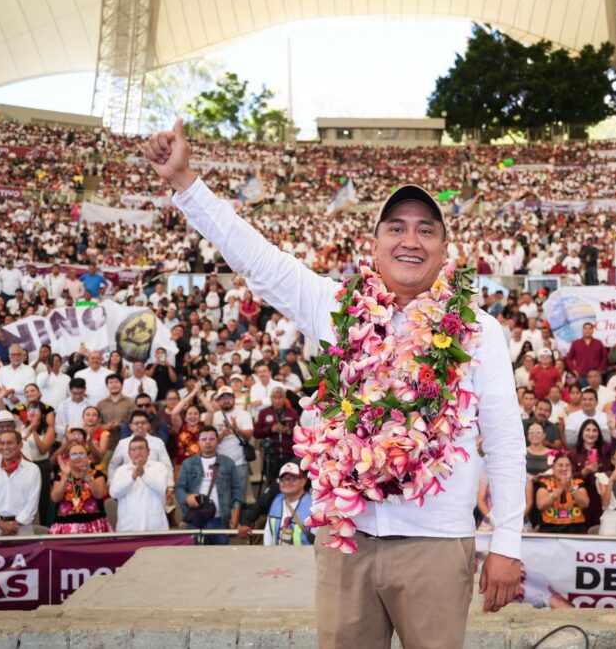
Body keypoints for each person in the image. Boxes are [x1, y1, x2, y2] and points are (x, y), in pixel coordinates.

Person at [146, 119, 524, 644]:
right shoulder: (334, 307)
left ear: (444, 249)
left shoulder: (479, 331)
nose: (410, 240)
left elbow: (504, 442)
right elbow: (256, 257)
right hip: (347, 540)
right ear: (375, 244)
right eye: (396, 227)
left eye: (426, 230)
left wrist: (507, 543)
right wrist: (185, 181)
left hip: (437, 544)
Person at [174, 426, 242, 545]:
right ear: (198, 442)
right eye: (204, 439)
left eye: (212, 439)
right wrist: (187, 498)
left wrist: (236, 514)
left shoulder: (228, 463)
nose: (208, 442)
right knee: (193, 552)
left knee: (219, 552)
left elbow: (237, 489)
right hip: (195, 517)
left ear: (217, 441)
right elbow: (179, 488)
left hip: (219, 518)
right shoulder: (188, 464)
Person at [0, 430, 41, 536]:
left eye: (10, 442)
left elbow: (32, 503)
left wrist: (14, 526)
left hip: (23, 530)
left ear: (20, 445)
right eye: (2, 443)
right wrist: (2, 525)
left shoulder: (33, 469)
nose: (5, 447)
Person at [110, 436, 171, 532]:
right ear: (129, 453)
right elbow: (114, 493)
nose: (137, 452)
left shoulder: (159, 467)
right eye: (133, 449)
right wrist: (132, 478)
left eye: (141, 448)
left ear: (148, 451)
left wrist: (143, 475)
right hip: (128, 527)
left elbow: (162, 489)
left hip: (155, 527)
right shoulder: (121, 470)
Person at [49, 442, 113, 534]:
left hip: (93, 524)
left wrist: (87, 474)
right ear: (68, 459)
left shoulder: (97, 475)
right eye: (74, 454)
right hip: (65, 526)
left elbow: (99, 495)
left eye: (81, 454)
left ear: (88, 458)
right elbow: (55, 498)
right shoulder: (60, 477)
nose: (78, 457)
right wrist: (65, 475)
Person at [257, 462, 315, 546]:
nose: (287, 482)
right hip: (278, 553)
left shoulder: (313, 505)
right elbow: (268, 533)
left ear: (303, 481)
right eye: (283, 478)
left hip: (305, 553)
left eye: (292, 478)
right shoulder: (277, 501)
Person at [533, 453, 590, 534]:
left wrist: (571, 488)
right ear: (553, 468)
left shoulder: (578, 483)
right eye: (560, 465)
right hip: (549, 530)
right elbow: (541, 506)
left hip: (576, 530)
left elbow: (584, 504)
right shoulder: (545, 483)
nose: (564, 468)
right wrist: (560, 489)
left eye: (567, 465)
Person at [253, 386, 299, 485]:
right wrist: (270, 429)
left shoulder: (293, 412)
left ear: (285, 398)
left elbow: (300, 433)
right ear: (271, 399)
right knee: (272, 485)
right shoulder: (263, 413)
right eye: (274, 397)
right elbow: (256, 433)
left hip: (290, 455)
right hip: (271, 456)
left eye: (280, 397)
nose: (277, 400)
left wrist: (289, 431)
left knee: (289, 483)